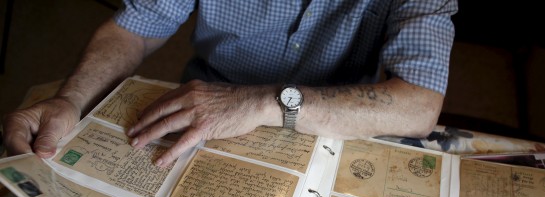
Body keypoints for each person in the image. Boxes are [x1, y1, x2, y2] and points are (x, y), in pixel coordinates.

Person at [2, 1, 457, 168]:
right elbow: (136, 26)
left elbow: (418, 104)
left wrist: (265, 102)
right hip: (201, 114)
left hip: (333, 127)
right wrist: (71, 98)